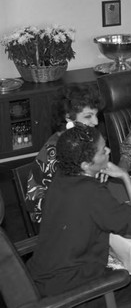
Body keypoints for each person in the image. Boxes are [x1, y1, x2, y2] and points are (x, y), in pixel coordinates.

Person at [27, 125, 131, 300]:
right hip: (72, 291)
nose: (109, 150)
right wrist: (124, 176)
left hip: (43, 275)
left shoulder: (61, 175)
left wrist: (94, 173)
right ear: (85, 164)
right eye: (102, 151)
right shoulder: (93, 193)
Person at [25, 84, 103, 224]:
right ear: (68, 118)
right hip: (50, 216)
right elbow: (66, 196)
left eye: (96, 115)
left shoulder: (83, 138)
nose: (95, 122)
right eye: (88, 116)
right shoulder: (57, 151)